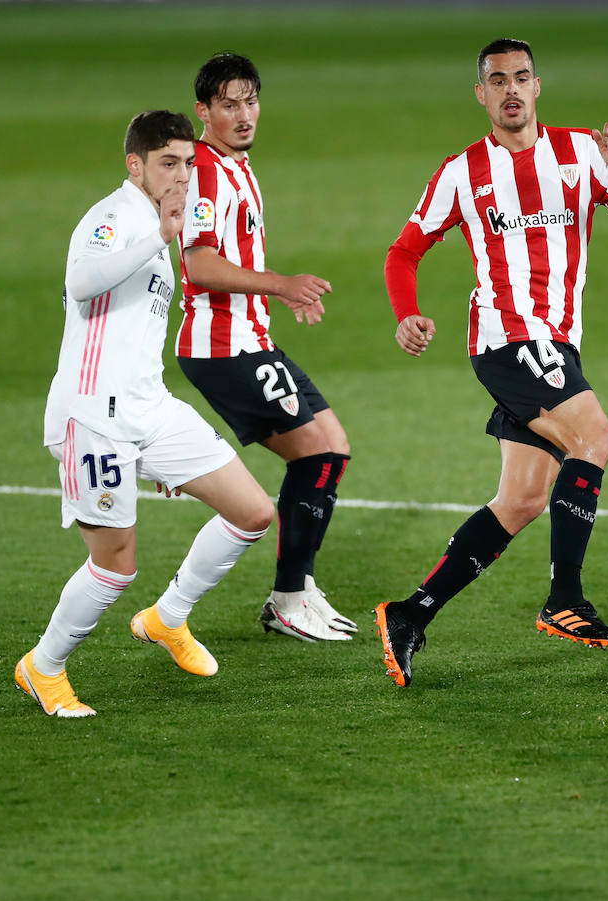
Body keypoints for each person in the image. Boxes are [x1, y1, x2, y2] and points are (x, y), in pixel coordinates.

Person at [374, 37, 608, 686]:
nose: (511, 89)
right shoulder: (463, 171)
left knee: (524, 499)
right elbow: (404, 250)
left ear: (538, 87)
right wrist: (406, 313)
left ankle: (410, 614)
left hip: (555, 345)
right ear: (481, 94)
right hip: (507, 341)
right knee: (596, 438)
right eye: (497, 80)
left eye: (522, 77)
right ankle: (564, 599)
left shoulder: (584, 153)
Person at [16, 110, 276, 717]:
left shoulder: (169, 222)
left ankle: (169, 617)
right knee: (116, 565)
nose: (183, 174)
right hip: (94, 418)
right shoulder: (113, 218)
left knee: (253, 510)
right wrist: (160, 236)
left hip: (149, 409)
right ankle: (44, 667)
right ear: (136, 165)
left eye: (188, 162)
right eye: (168, 163)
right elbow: (81, 283)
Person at [178, 52, 355, 643]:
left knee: (331, 445)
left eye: (250, 101)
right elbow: (199, 263)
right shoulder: (203, 170)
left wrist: (276, 299)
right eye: (229, 104)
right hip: (221, 347)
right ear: (203, 111)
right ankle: (287, 597)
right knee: (316, 455)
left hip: (251, 339)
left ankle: (297, 589)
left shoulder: (238, 166)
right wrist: (282, 285)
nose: (244, 114)